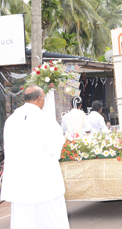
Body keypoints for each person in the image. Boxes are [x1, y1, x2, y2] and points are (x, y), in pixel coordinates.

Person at [2, 85, 69, 228]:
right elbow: (57, 146)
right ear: (40, 99)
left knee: (24, 221)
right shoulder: (45, 120)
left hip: (20, 182)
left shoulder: (11, 120)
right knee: (50, 219)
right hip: (43, 182)